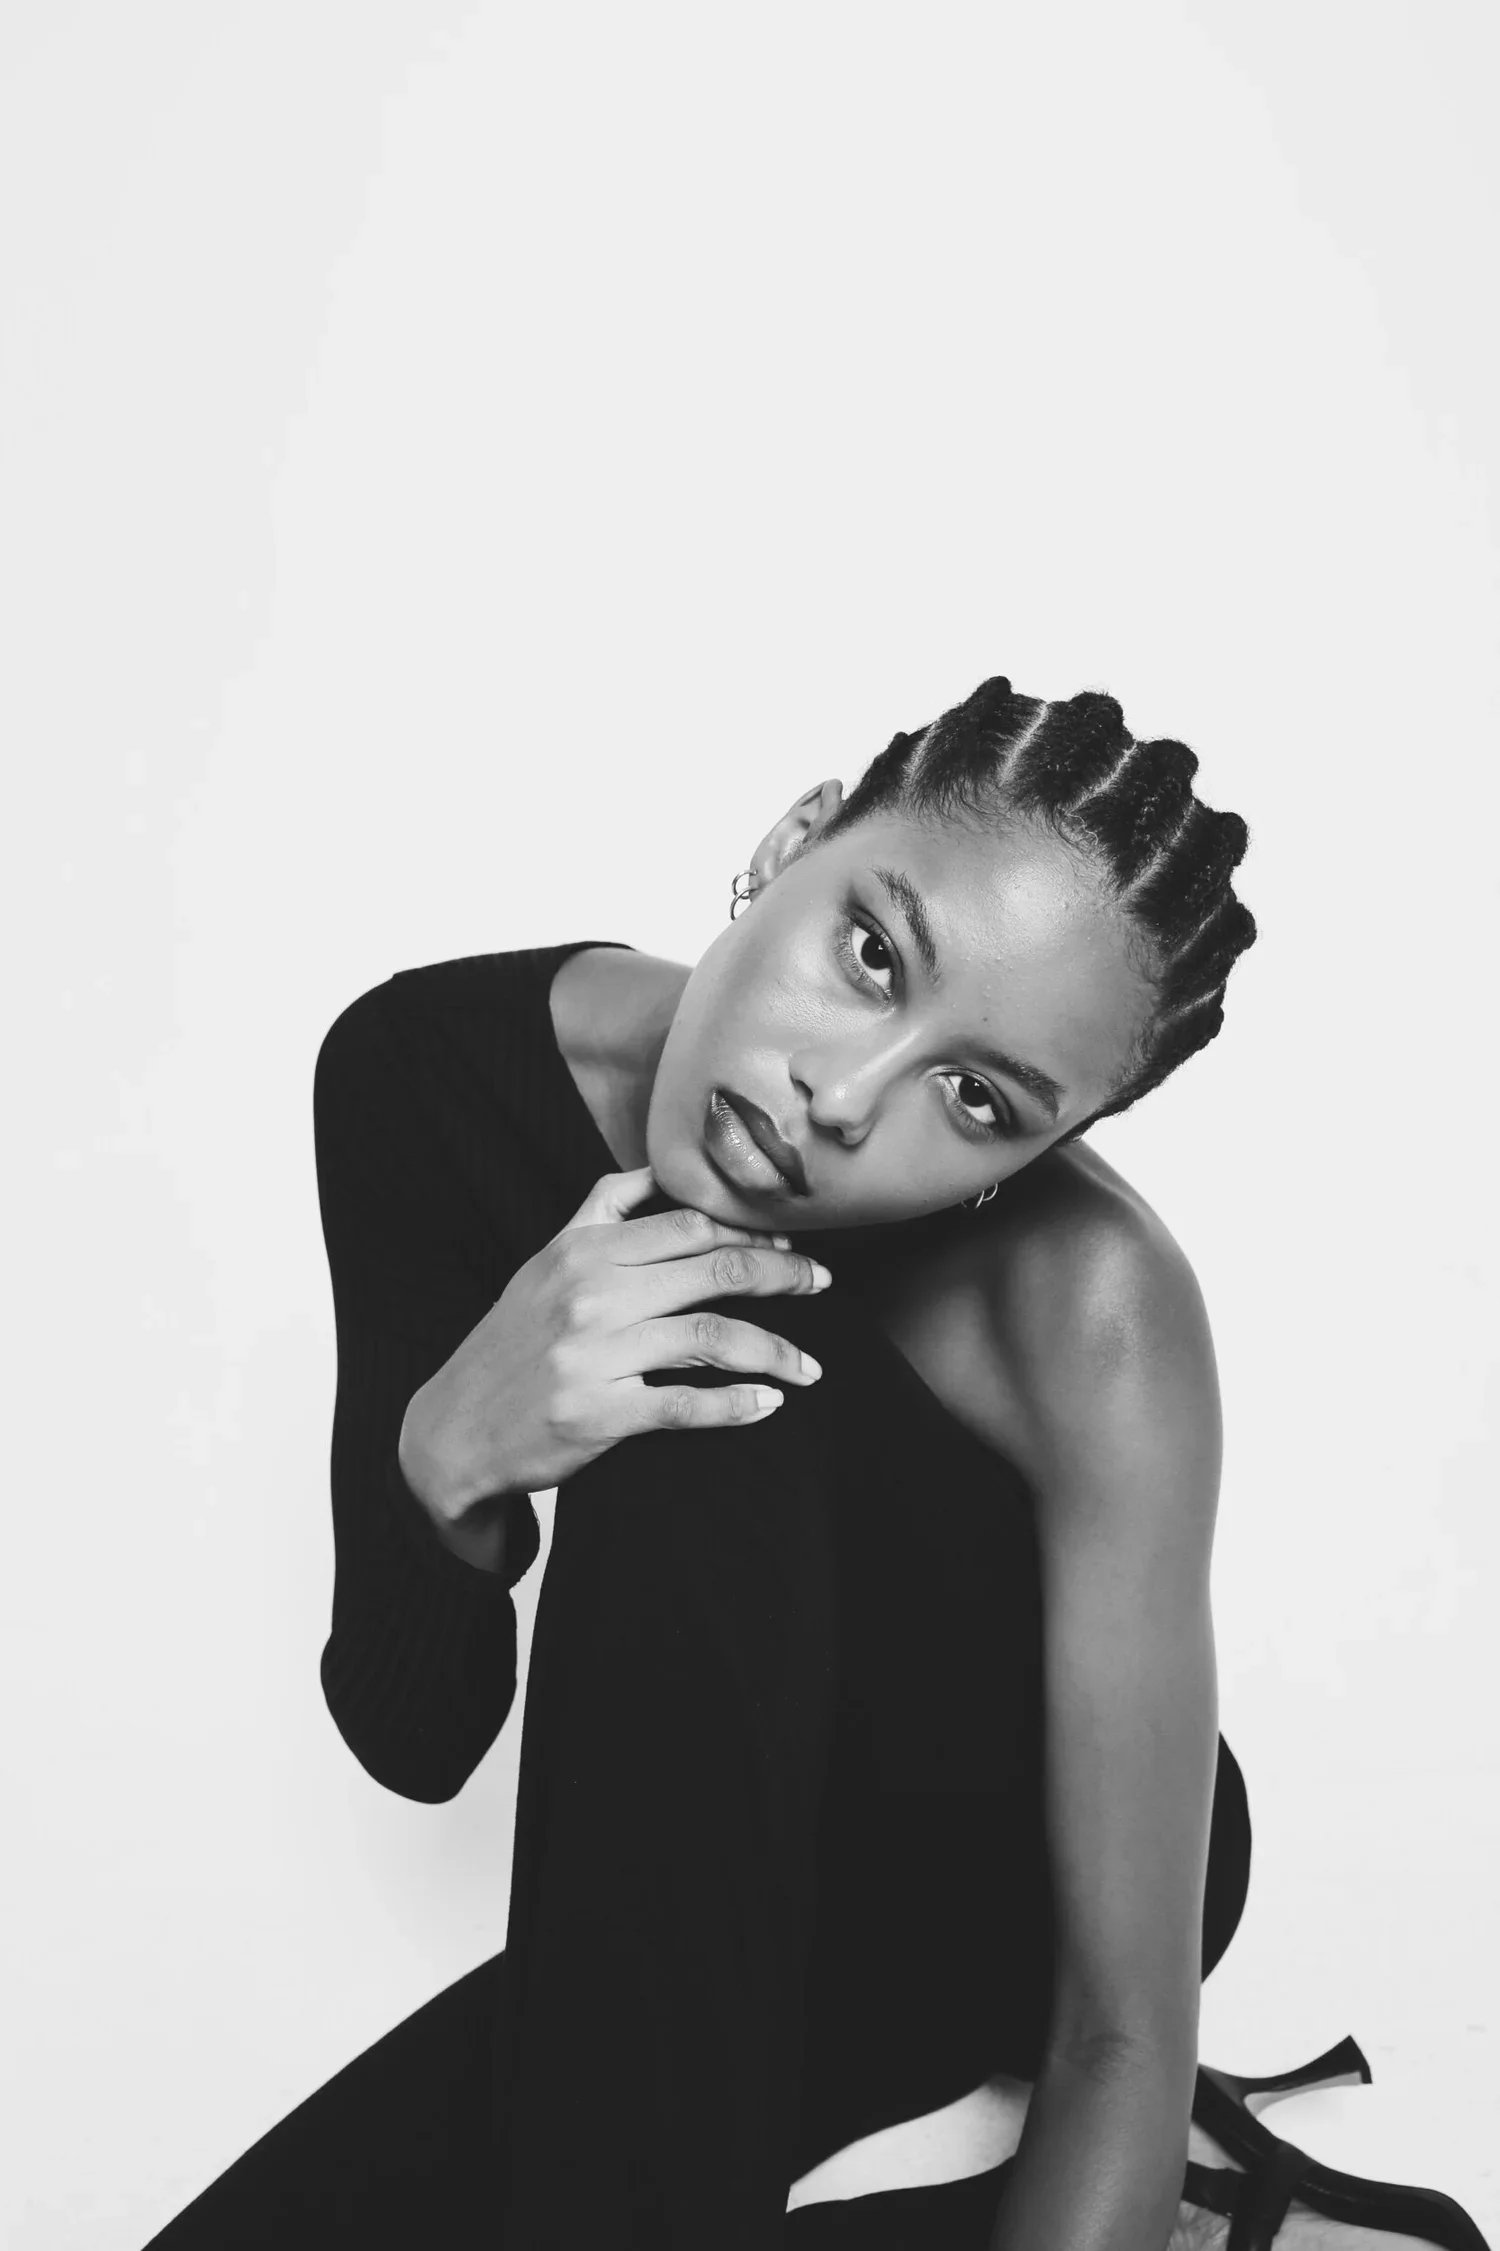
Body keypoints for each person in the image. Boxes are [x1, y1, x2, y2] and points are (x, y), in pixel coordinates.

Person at [142, 678, 1488, 2251]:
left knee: (706, 1385)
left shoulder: (1091, 1308)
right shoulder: (418, 1076)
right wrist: (451, 1452)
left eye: (976, 1100)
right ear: (791, 843)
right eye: (870, 957)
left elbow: (1117, 2032)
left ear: (1036, 1159)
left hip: (1010, 1882)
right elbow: (416, 1734)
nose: (838, 1102)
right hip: (671, 1853)